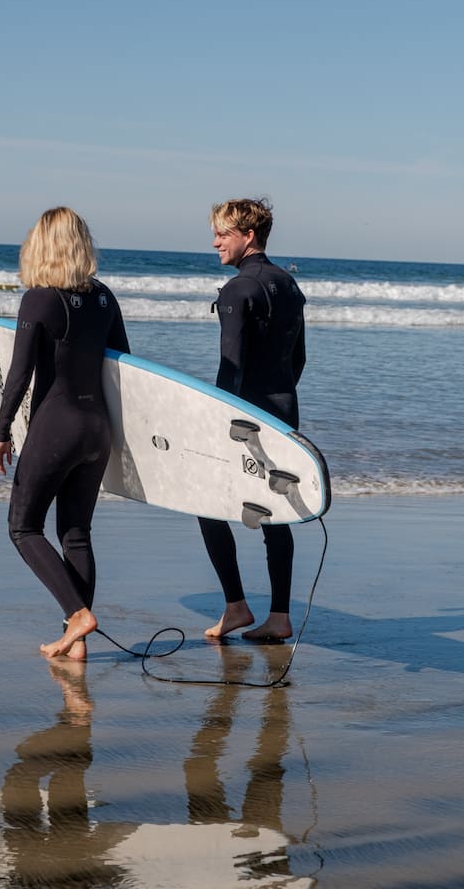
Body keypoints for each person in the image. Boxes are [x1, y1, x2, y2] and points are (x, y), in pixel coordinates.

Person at [0, 207, 129, 660]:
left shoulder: (40, 299)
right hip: (97, 429)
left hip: (57, 426)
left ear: (42, 246)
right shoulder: (105, 298)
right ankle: (77, 642)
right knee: (76, 533)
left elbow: (19, 375)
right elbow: (124, 370)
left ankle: (78, 615)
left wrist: (2, 431)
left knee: (23, 527)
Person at [199, 197, 306, 643]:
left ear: (248, 235)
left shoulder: (237, 289)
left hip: (243, 419)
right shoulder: (289, 285)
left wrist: (221, 419)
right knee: (276, 512)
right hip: (284, 412)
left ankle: (236, 606)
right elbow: (298, 360)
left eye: (222, 234)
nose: (215, 242)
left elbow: (231, 367)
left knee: (205, 503)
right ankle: (279, 616)